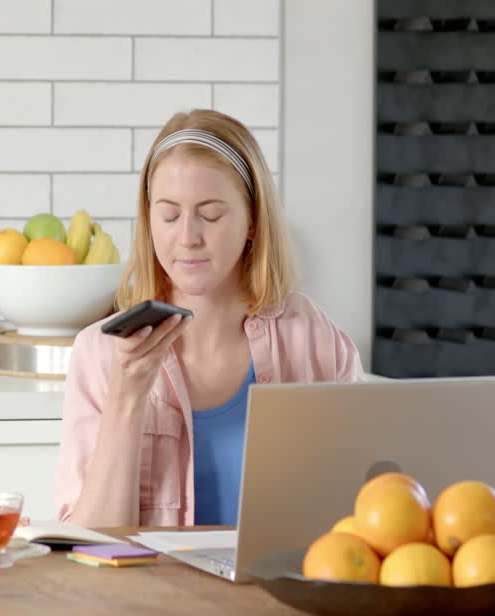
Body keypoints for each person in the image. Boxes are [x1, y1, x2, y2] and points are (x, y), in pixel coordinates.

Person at [55, 109, 365, 528]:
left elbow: (366, 509)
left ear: (253, 220)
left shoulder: (311, 336)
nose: (187, 237)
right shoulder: (99, 352)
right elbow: (89, 546)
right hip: (155, 595)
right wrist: (127, 397)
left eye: (212, 214)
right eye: (168, 215)